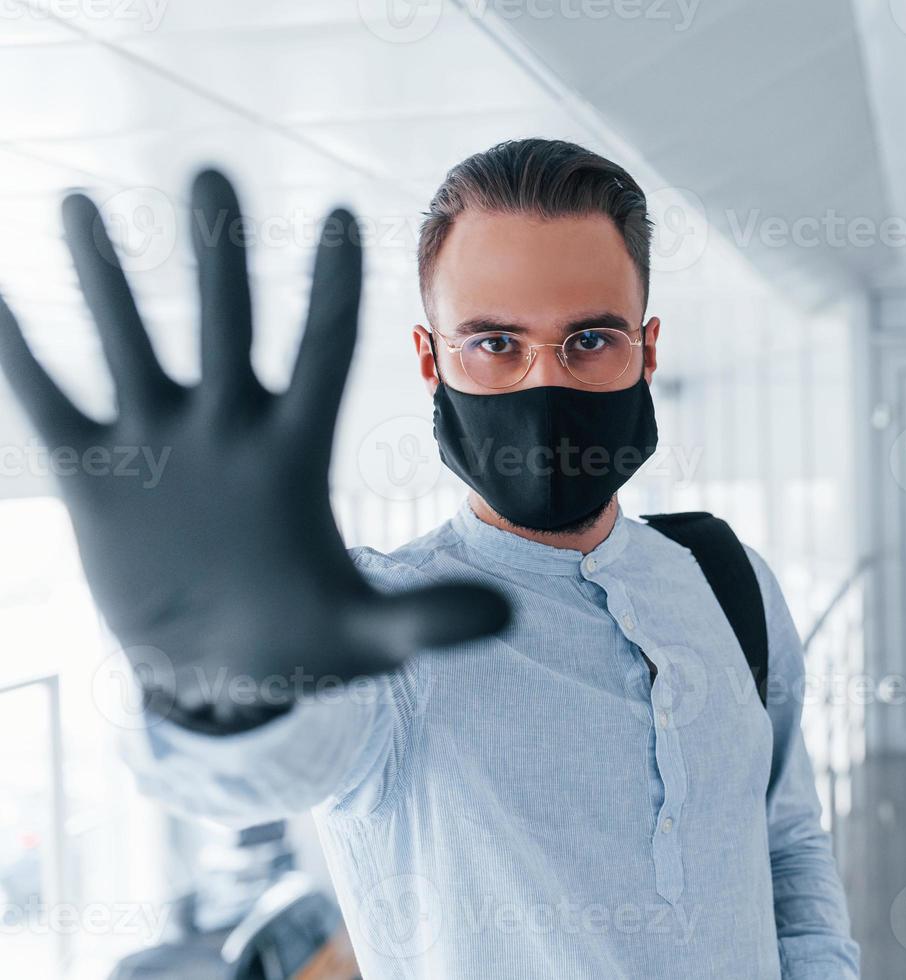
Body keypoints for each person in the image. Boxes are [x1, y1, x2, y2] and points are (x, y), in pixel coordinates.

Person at [0, 139, 859, 979]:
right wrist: (222, 692)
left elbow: (784, 840)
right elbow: (265, 771)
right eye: (494, 344)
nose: (540, 385)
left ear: (648, 348)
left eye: (591, 340)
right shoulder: (379, 633)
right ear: (431, 361)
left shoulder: (728, 579)